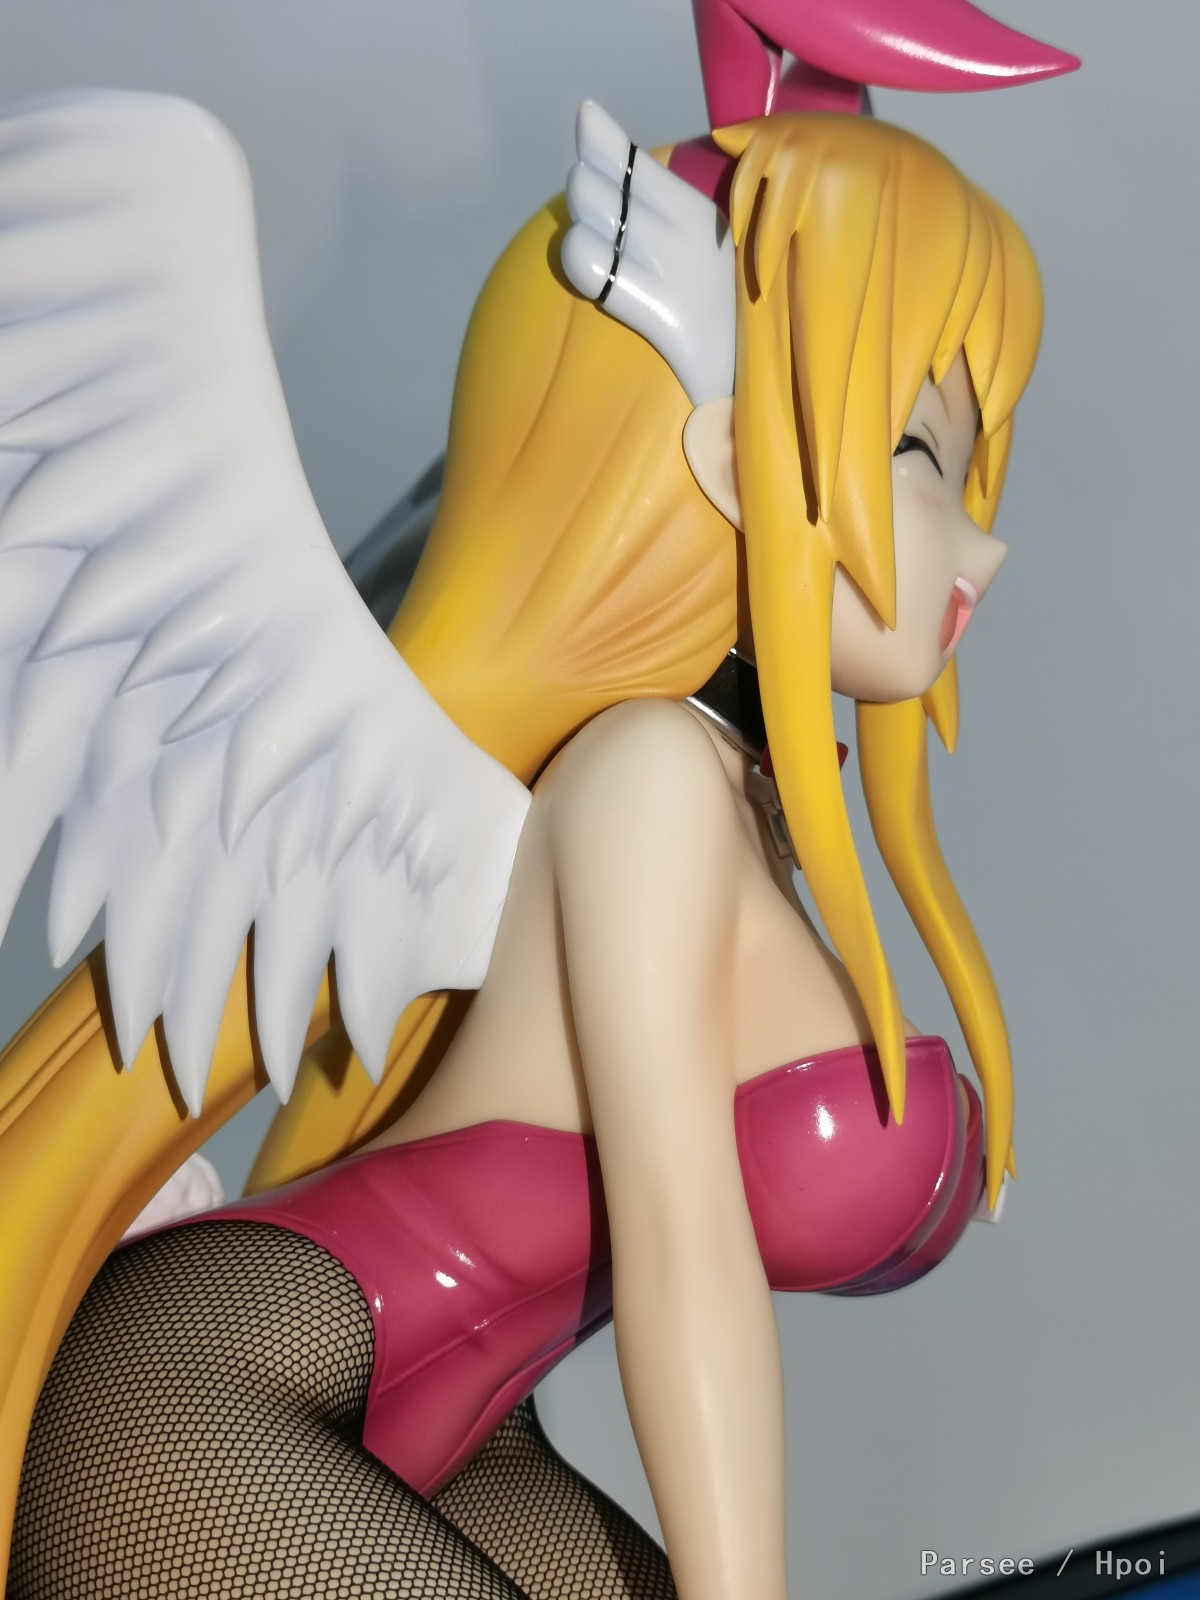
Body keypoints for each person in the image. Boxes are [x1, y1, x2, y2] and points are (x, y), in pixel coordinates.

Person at [1, 102, 1041, 1600]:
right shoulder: (647, 783)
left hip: (462, 1428)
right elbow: (682, 1249)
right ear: (729, 456)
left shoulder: (731, 796)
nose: (978, 545)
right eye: (915, 453)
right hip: (203, 1392)